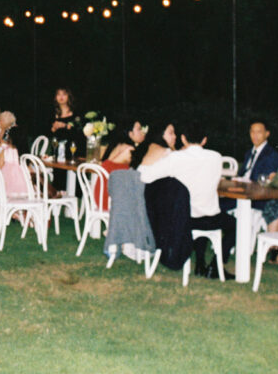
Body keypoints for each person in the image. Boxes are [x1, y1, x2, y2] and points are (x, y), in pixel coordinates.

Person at [138, 122, 234, 280]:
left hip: (184, 219)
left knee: (196, 208)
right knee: (233, 224)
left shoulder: (175, 158)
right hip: (209, 218)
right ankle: (214, 265)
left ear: (183, 139)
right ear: (204, 140)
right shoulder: (216, 157)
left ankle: (200, 264)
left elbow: (145, 177)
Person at [94, 116, 148, 209]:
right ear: (130, 134)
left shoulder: (117, 145)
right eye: (139, 130)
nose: (142, 132)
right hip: (112, 201)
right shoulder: (129, 150)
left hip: (100, 197)